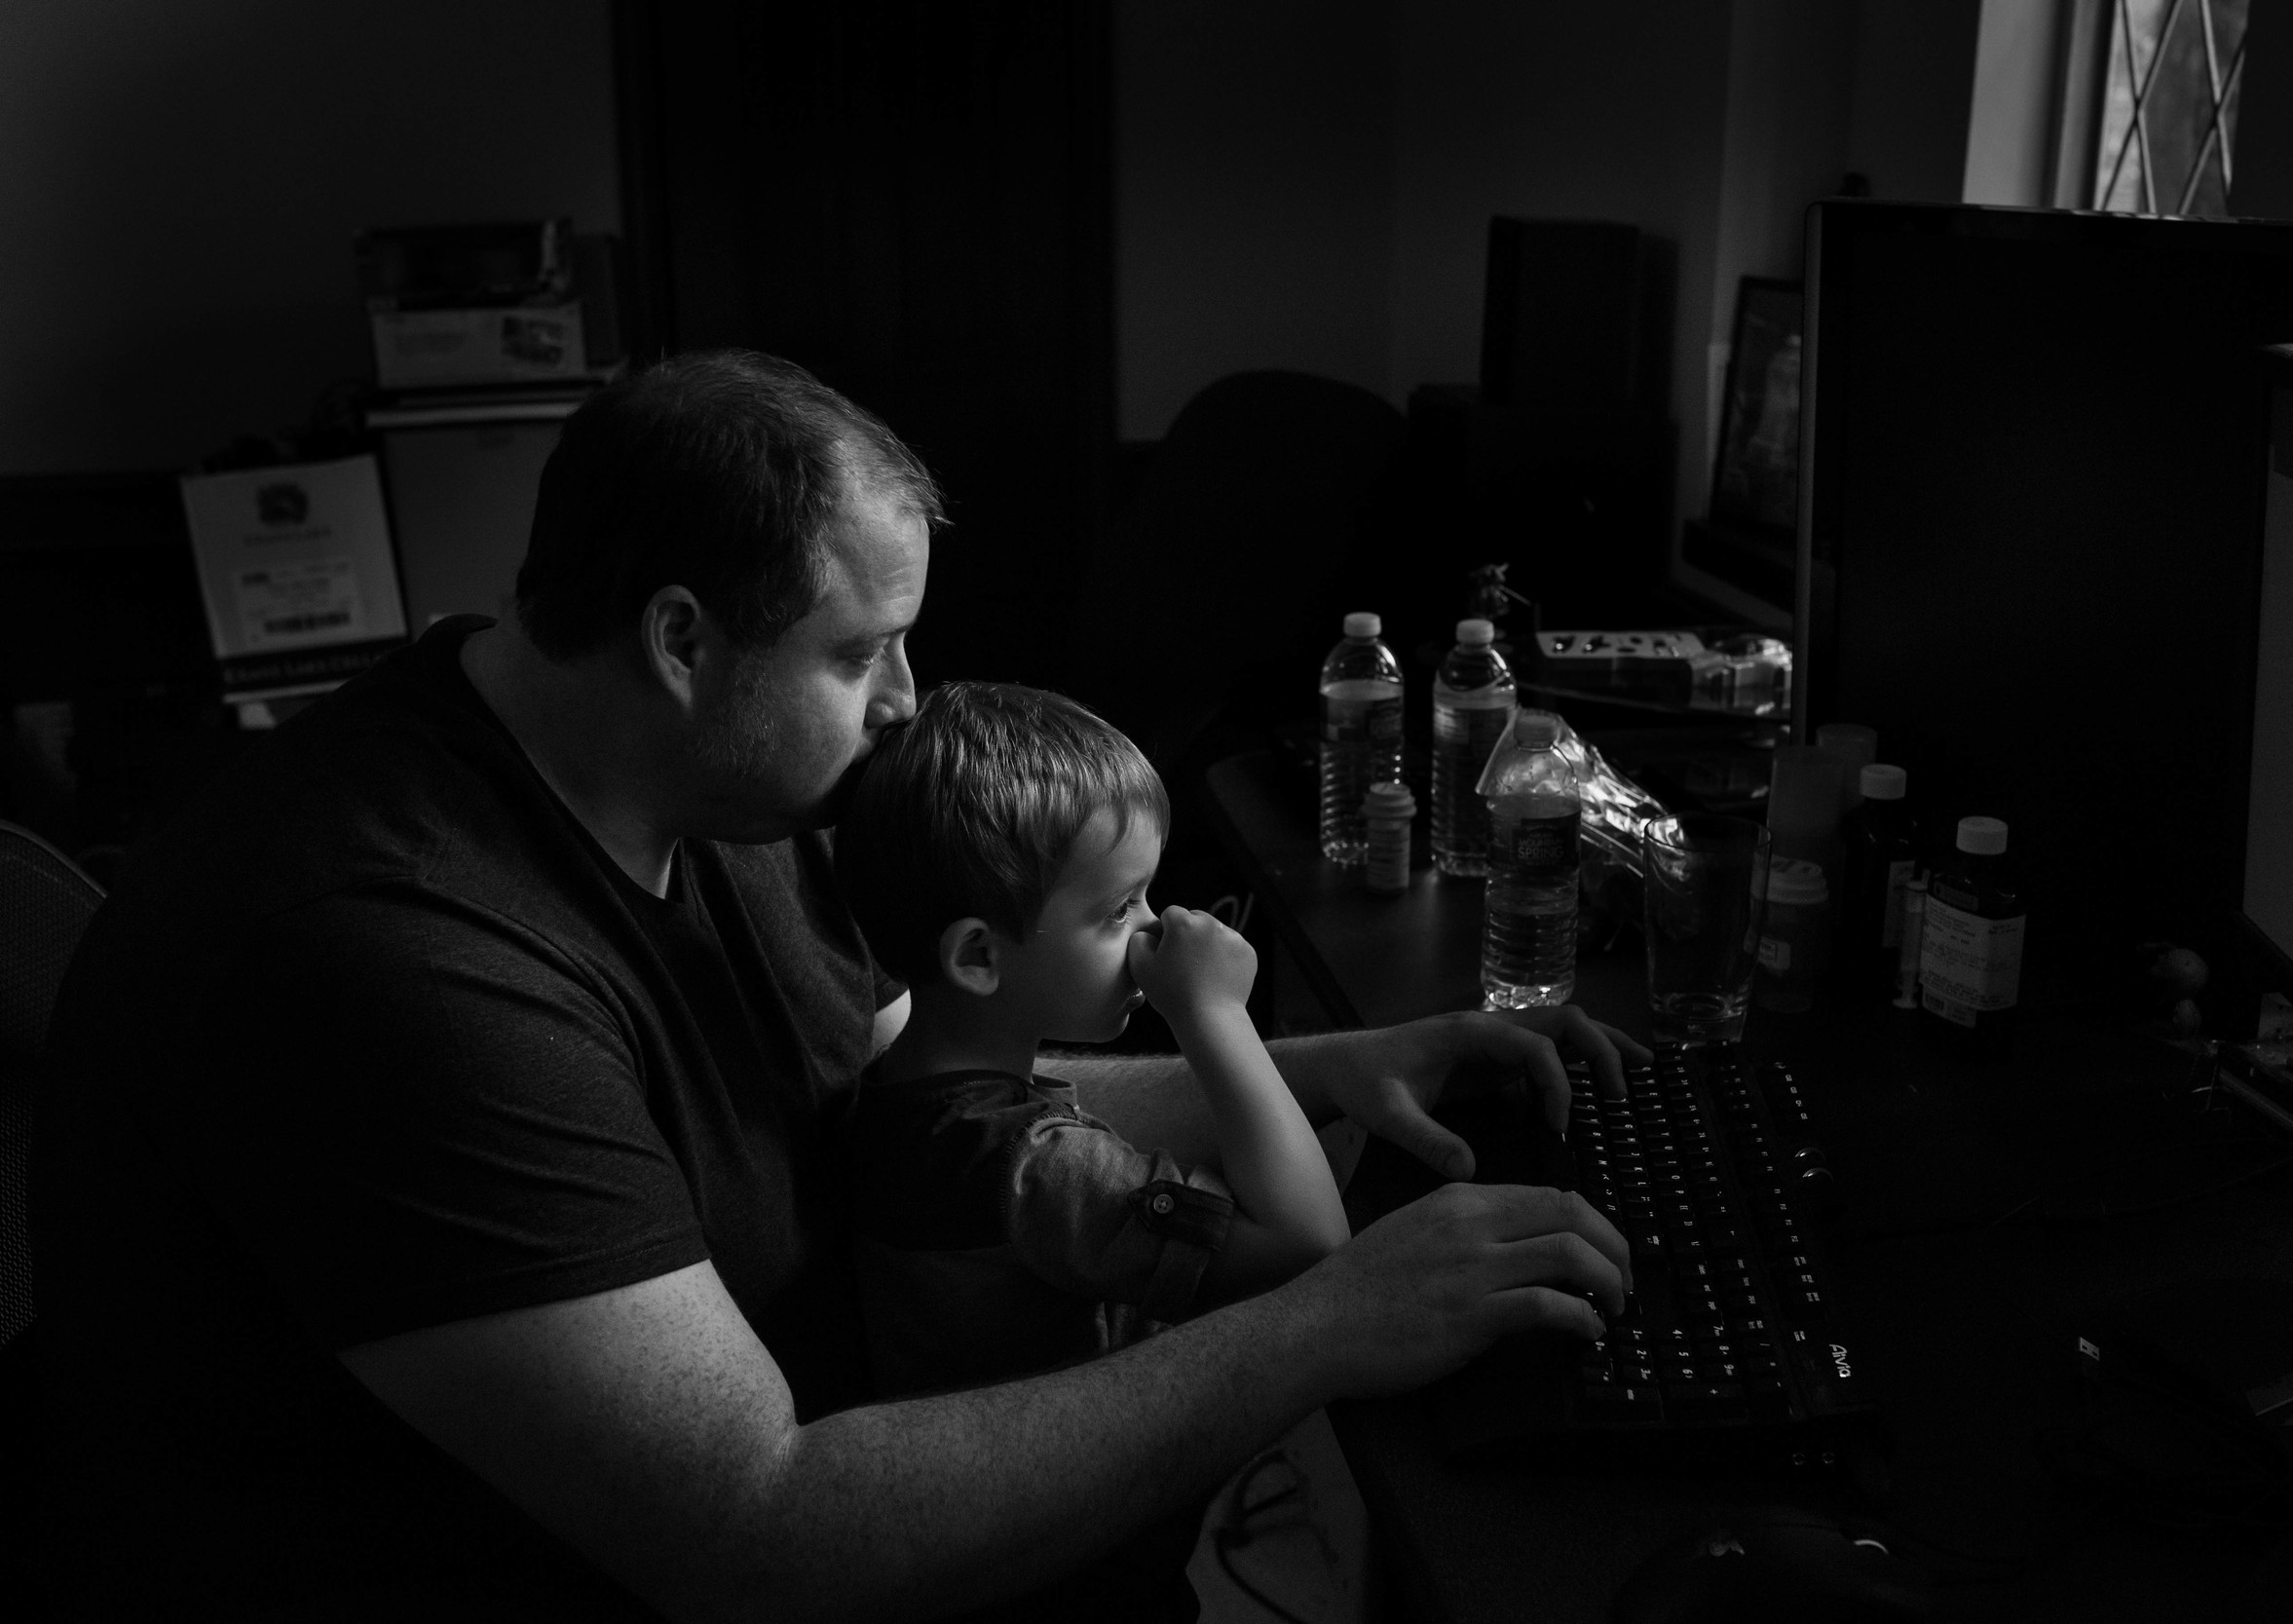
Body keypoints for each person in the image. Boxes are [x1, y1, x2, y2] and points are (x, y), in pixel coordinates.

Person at [34, 348, 1635, 1621]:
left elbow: (929, 1092)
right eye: (863, 651)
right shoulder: (385, 956)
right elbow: (751, 1534)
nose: (907, 704)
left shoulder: (720, 782)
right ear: (681, 638)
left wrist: (1321, 1067)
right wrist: (1322, 1325)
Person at [840, 681, 1350, 1619]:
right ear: (979, 958)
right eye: (1119, 910)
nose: (1156, 930)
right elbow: (1310, 1241)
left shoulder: (892, 1100)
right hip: (1084, 1587)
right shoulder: (1034, 1165)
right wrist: (1214, 1015)